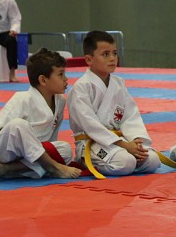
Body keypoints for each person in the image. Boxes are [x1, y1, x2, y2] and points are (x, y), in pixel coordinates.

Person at [68, 30, 161, 176]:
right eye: (105, 54)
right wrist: (124, 145)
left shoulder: (118, 84)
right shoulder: (81, 87)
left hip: (118, 141)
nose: (112, 58)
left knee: (152, 160)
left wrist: (135, 141)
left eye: (115, 53)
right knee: (126, 163)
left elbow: (130, 116)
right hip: (91, 143)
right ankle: (85, 161)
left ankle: (127, 158)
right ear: (89, 60)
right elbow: (90, 124)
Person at [0, 49, 81, 179]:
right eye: (60, 74)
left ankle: (8, 169)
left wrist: (50, 153)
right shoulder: (22, 99)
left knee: (66, 149)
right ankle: (52, 167)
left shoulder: (59, 101)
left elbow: (51, 139)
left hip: (33, 154)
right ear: (43, 80)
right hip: (7, 152)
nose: (66, 79)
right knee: (19, 125)